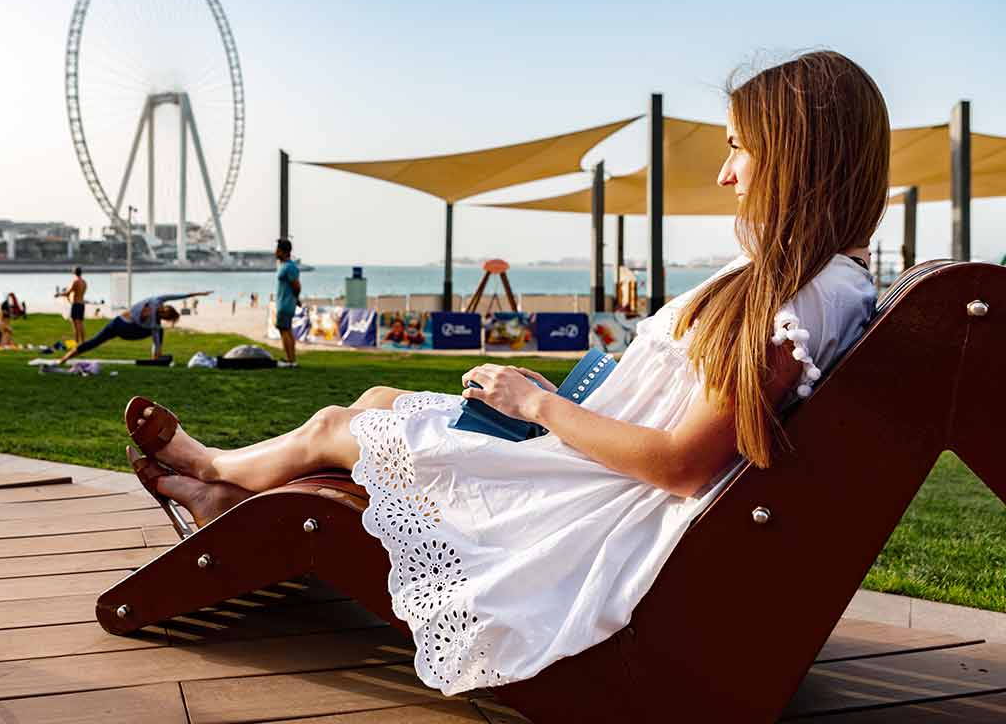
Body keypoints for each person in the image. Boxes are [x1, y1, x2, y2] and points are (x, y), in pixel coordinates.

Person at [122, 51, 886, 696]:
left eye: (739, 149)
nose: (724, 175)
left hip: (590, 504)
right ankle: (225, 498)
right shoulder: (807, 284)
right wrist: (546, 404)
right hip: (589, 470)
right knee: (383, 396)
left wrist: (540, 410)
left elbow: (683, 466)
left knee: (336, 426)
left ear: (795, 156)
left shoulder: (801, 299)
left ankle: (213, 470)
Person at [56, 291, 213, 364]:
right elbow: (155, 337)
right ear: (166, 316)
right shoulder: (153, 322)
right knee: (157, 332)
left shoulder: (156, 300)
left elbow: (177, 295)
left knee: (95, 341)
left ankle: (65, 357)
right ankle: (156, 357)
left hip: (118, 324)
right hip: (126, 329)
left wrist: (196, 294)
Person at [274, 238, 301, 368]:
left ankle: (290, 360)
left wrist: (295, 299)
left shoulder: (290, 267)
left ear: (284, 252)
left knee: (284, 330)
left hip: (285, 305)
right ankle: (291, 359)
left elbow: (296, 286)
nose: (275, 252)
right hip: (284, 303)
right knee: (286, 330)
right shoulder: (284, 265)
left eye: (278, 250)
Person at [58, 267, 88, 344]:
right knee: (81, 323)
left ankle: (77, 342)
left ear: (74, 273)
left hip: (76, 304)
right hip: (82, 304)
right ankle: (83, 342)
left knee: (75, 324)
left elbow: (68, 293)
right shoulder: (84, 282)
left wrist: (59, 294)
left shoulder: (75, 282)